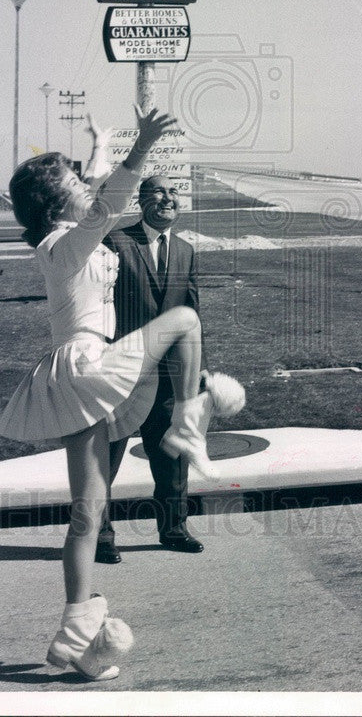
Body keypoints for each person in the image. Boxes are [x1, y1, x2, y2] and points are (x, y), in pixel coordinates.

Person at [0, 107, 244, 682]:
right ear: (59, 205)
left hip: (83, 371)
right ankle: (187, 422)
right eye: (75, 183)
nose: (88, 185)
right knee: (182, 320)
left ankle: (76, 636)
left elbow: (98, 190)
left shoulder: (65, 235)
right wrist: (143, 148)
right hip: (88, 363)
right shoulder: (66, 245)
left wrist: (104, 144)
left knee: (86, 512)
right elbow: (106, 202)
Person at [96, 175, 207, 564]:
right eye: (159, 191)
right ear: (141, 200)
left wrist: (199, 369)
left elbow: (190, 314)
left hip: (167, 374)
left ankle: (174, 528)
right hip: (119, 372)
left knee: (172, 453)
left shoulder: (186, 250)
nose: (168, 198)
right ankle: (100, 536)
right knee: (105, 457)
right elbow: (98, 304)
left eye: (174, 192)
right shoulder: (116, 241)